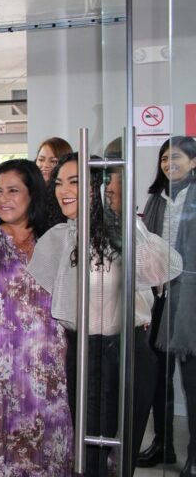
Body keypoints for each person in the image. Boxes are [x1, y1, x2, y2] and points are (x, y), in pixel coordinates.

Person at [28, 152, 180, 476]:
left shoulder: (125, 232)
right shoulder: (59, 238)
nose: (64, 190)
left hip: (127, 352)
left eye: (75, 181)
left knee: (121, 459)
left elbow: (159, 271)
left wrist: (124, 221)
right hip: (83, 352)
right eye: (59, 183)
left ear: (98, 186)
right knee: (89, 458)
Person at [0, 159, 73, 476]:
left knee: (44, 446)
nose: (3, 198)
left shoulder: (57, 238)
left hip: (45, 363)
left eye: (13, 190)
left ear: (32, 194)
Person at [137, 136, 196, 473]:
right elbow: (145, 246)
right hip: (159, 297)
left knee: (192, 382)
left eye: (176, 157)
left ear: (194, 161)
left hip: (191, 300)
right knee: (158, 378)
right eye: (163, 158)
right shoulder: (156, 198)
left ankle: (195, 454)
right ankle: (163, 446)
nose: (168, 163)